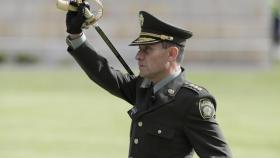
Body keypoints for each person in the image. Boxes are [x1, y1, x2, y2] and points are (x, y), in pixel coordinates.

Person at [65, 3, 232, 158]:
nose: (138, 56)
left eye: (147, 50)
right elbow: (104, 74)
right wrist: (76, 34)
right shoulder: (144, 87)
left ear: (172, 54)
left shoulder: (192, 101)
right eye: (139, 49)